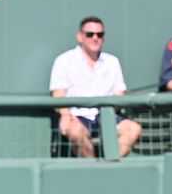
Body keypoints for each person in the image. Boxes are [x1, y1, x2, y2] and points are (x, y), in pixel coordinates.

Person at [49, 16, 141, 158]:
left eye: (100, 34)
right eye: (90, 34)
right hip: (77, 116)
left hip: (107, 116)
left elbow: (119, 94)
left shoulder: (112, 62)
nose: (95, 38)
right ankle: (93, 169)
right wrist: (66, 115)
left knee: (133, 129)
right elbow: (58, 93)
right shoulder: (64, 60)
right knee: (74, 131)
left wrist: (113, 108)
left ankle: (110, 166)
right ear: (80, 37)